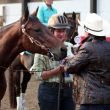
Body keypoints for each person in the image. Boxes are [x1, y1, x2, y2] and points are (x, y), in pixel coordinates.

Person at [64, 13, 110, 110]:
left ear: (87, 31)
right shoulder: (108, 46)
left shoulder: (87, 47)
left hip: (92, 100)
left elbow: (69, 67)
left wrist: (68, 60)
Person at [30, 14, 75, 110]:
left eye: (63, 31)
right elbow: (38, 75)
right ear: (51, 31)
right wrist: (57, 71)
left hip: (69, 91)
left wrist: (74, 62)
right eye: (59, 31)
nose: (62, 34)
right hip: (49, 92)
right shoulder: (42, 50)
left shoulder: (70, 47)